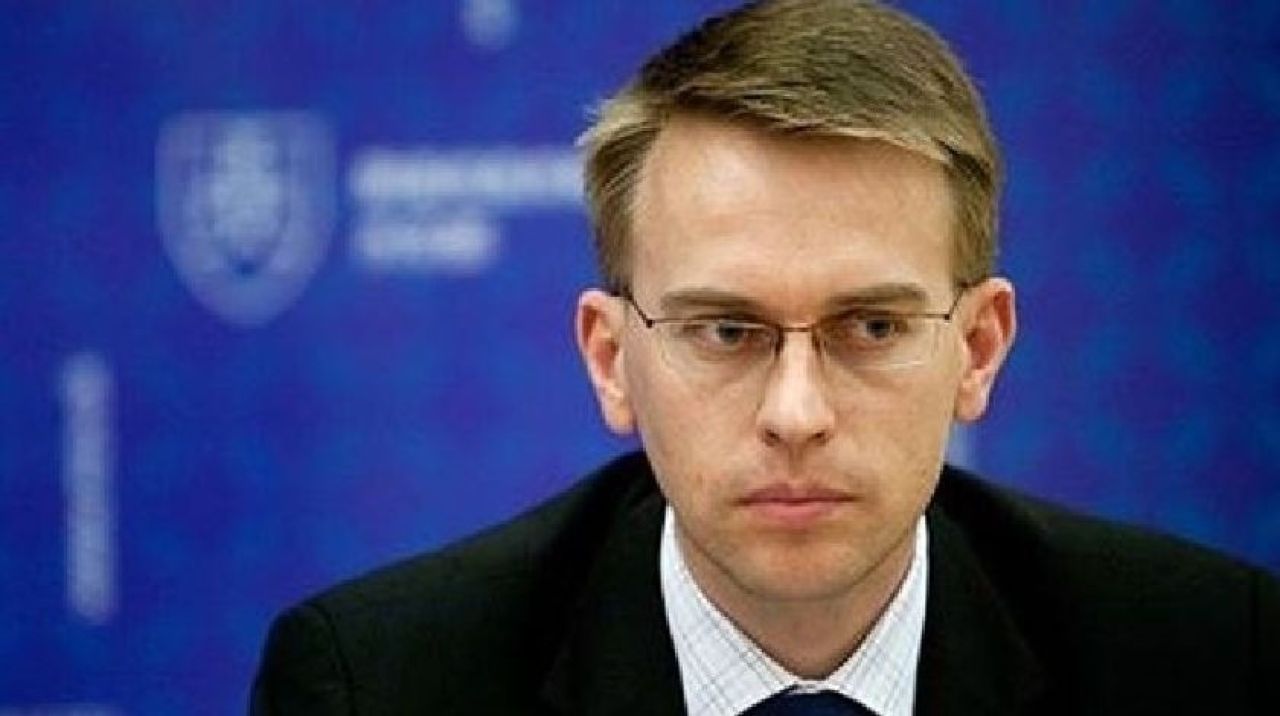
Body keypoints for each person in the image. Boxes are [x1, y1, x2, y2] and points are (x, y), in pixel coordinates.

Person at [250, 1, 1279, 713]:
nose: (795, 413)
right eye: (726, 332)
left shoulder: (1209, 658)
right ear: (611, 359)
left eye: (870, 328)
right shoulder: (379, 686)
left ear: (977, 349)